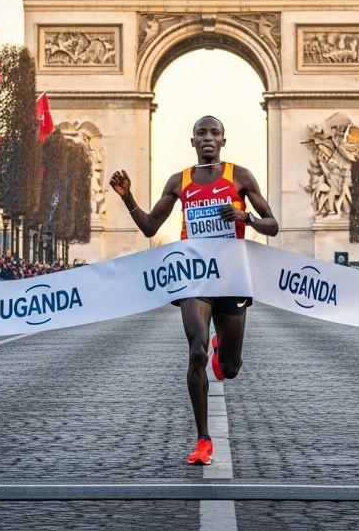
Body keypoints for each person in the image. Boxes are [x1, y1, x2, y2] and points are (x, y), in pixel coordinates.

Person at [108, 115, 278, 467]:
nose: (208, 138)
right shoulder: (179, 181)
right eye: (201, 133)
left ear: (223, 140)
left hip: (231, 278)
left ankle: (221, 352)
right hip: (194, 278)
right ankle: (203, 439)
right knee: (195, 353)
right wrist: (128, 197)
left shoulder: (240, 176)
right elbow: (150, 226)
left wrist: (243, 217)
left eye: (215, 132)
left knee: (230, 368)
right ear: (193, 141)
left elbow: (273, 226)